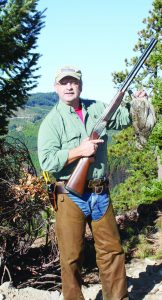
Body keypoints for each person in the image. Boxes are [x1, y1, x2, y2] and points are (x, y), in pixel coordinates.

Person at [38, 66, 132, 300]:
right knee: (71, 257)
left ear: (80, 85)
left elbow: (124, 119)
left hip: (100, 192)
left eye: (74, 82)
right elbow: (48, 162)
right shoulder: (51, 122)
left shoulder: (98, 108)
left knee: (112, 253)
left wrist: (136, 103)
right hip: (69, 195)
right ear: (56, 88)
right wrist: (80, 150)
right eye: (64, 83)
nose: (69, 86)